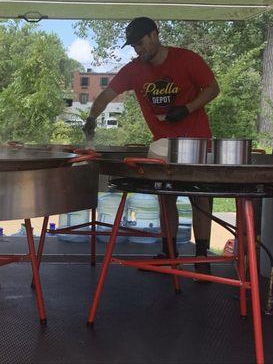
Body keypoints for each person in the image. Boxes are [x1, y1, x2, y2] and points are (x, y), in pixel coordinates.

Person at [83, 17, 219, 278]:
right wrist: (91, 118)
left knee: (201, 197)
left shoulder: (186, 59)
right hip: (162, 144)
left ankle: (202, 256)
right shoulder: (134, 70)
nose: (138, 50)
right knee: (164, 195)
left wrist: (187, 109)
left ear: (155, 35)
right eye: (134, 46)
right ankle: (169, 253)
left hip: (197, 140)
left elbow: (213, 88)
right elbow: (106, 95)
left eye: (141, 43)